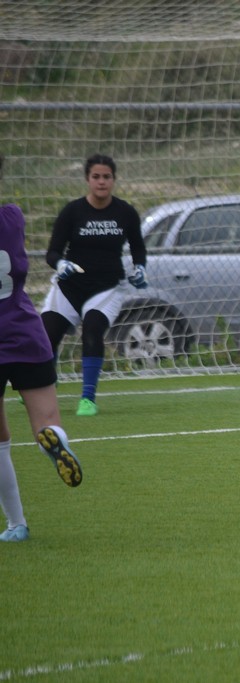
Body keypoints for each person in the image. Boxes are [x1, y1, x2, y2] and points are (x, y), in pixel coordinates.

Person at [1, 153, 84, 543]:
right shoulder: (12, 217)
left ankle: (16, 524)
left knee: (0, 441)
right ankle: (56, 441)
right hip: (24, 332)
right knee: (46, 422)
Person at [41, 154, 148, 417]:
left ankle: (87, 399)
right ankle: (44, 382)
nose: (101, 182)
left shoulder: (125, 212)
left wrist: (140, 268)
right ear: (87, 179)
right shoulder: (72, 211)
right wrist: (60, 264)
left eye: (106, 177)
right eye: (96, 176)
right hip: (69, 286)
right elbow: (52, 252)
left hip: (106, 288)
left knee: (92, 328)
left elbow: (138, 248)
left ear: (114, 179)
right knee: (46, 334)